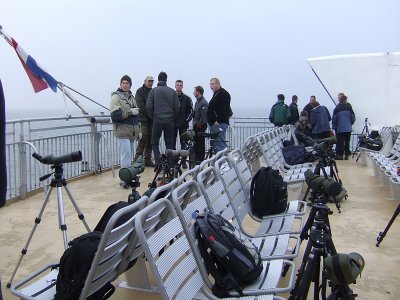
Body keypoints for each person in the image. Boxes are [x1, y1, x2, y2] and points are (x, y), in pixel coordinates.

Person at [110, 75, 141, 188]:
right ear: (120, 84)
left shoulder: (132, 97)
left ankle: (128, 175)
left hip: (132, 132)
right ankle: (124, 179)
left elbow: (137, 116)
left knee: (130, 155)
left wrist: (139, 130)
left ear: (130, 85)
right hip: (122, 131)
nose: (125, 85)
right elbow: (115, 115)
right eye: (123, 82)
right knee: (126, 155)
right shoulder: (116, 97)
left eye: (127, 83)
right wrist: (130, 112)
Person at [146, 71, 180, 163]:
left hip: (157, 120)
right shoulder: (172, 91)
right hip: (169, 121)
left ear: (158, 79)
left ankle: (158, 162)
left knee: (154, 142)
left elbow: (148, 107)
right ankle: (169, 163)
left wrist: (153, 117)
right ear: (166, 79)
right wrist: (173, 117)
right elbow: (177, 107)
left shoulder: (153, 91)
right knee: (169, 144)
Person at [134, 75, 155, 167]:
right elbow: (140, 106)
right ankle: (137, 160)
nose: (150, 83)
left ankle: (147, 159)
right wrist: (151, 115)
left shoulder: (153, 91)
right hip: (143, 120)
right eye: (149, 81)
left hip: (152, 121)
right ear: (145, 81)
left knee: (150, 140)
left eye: (152, 81)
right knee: (143, 139)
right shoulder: (139, 91)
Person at [207, 78, 231, 152]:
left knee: (220, 144)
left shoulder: (223, 94)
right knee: (216, 144)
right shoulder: (216, 93)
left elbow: (224, 109)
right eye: (210, 84)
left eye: (212, 84)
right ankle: (218, 161)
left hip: (219, 123)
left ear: (218, 84)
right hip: (214, 123)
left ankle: (222, 162)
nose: (211, 86)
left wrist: (217, 121)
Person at [173, 80, 193, 169]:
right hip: (173, 125)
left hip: (183, 125)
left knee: (184, 144)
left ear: (182, 86)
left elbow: (191, 111)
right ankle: (174, 160)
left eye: (180, 85)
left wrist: (186, 121)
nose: (179, 87)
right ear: (175, 86)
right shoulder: (171, 97)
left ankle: (184, 161)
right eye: (177, 85)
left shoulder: (187, 98)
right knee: (172, 143)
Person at [332, 93, 356, 160]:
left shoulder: (337, 108)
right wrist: (350, 123)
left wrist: (336, 125)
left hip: (340, 128)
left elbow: (334, 119)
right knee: (347, 141)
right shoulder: (349, 107)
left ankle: (340, 155)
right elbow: (353, 117)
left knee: (340, 142)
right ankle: (346, 155)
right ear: (345, 100)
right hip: (348, 128)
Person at [192, 85, 208, 163]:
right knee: (196, 143)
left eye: (194, 91)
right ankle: (196, 159)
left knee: (200, 143)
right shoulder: (197, 102)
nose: (193, 93)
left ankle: (200, 159)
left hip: (200, 127)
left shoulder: (203, 102)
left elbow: (204, 116)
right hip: (196, 126)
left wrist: (199, 125)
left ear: (198, 92)